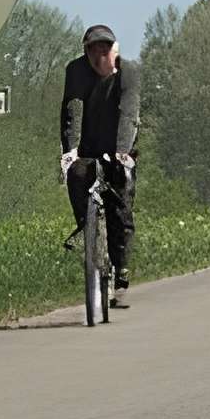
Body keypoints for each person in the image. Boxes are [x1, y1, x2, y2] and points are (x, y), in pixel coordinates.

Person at [60, 24, 142, 306]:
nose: (99, 56)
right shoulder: (76, 71)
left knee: (121, 207)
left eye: (105, 50)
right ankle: (85, 226)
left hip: (119, 148)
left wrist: (123, 152)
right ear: (86, 51)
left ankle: (122, 272)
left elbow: (129, 113)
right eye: (94, 50)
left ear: (113, 51)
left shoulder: (128, 72)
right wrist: (70, 151)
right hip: (87, 148)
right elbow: (72, 110)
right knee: (76, 176)